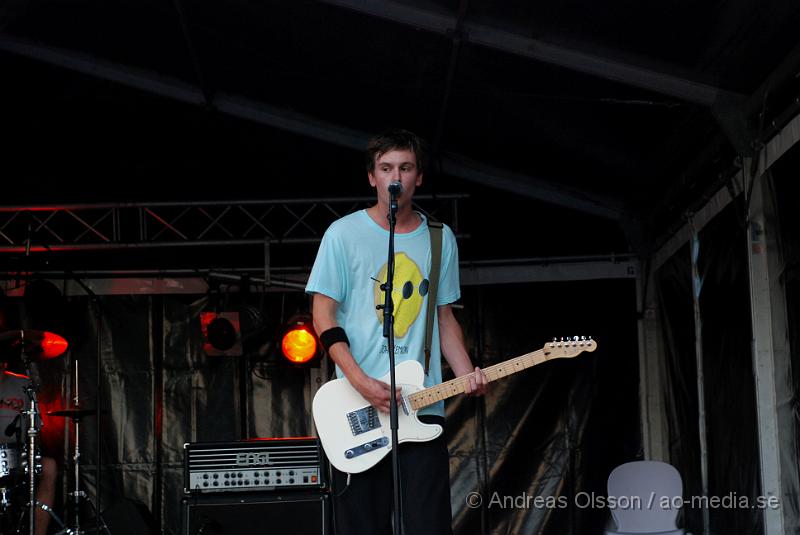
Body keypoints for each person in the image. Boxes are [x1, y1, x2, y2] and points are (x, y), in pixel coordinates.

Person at [306, 128, 487, 534]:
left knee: (429, 524)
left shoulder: (439, 239)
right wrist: (359, 379)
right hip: (358, 405)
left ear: (418, 177)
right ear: (372, 177)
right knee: (362, 526)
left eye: (405, 168)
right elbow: (323, 315)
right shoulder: (343, 235)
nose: (395, 177)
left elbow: (444, 319)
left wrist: (466, 373)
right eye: (386, 168)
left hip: (423, 406)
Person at [0, 362, 57, 535]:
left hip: (18, 453)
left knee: (49, 466)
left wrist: (33, 451)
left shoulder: (23, 385)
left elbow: (35, 429)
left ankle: (38, 532)